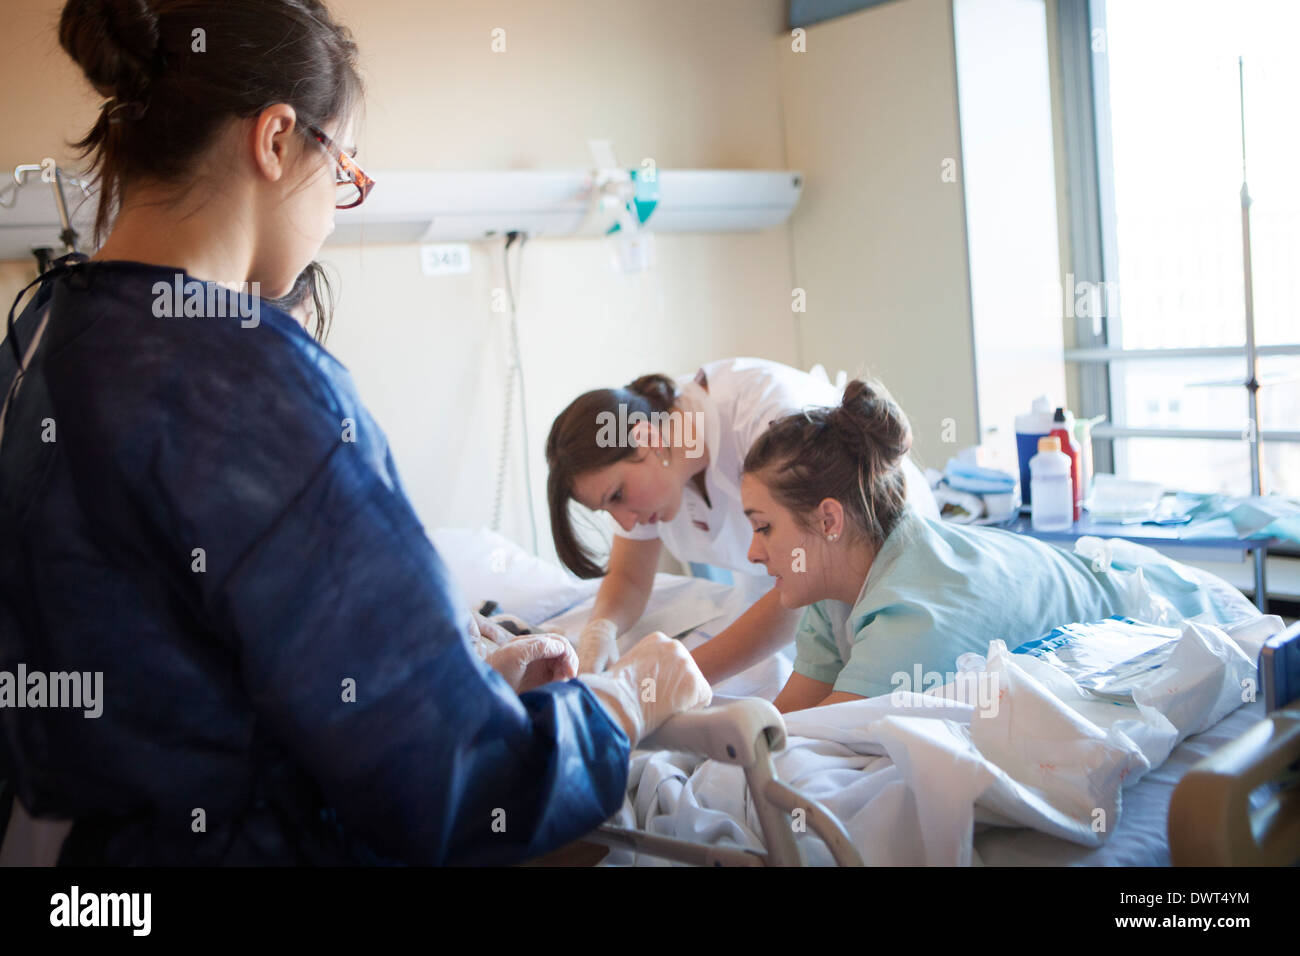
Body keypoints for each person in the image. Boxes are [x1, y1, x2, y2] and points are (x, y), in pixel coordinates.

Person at [0, 0, 709, 866]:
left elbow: (197, 674)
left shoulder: (37, 339)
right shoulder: (256, 384)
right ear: (274, 140)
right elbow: (448, 786)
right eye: (342, 172)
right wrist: (621, 702)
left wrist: (466, 687)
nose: (337, 212)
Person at [739, 379, 1253, 712]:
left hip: (1189, 616)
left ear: (829, 519)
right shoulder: (837, 593)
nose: (752, 553)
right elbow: (786, 724)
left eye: (763, 528)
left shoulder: (914, 617)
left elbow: (809, 747)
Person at [545, 356, 939, 683]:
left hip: (885, 567)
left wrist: (677, 677)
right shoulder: (648, 459)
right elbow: (629, 578)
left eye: (617, 496)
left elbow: (810, 577)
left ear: (647, 439)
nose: (626, 523)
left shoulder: (767, 416)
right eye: (608, 508)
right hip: (797, 599)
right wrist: (600, 630)